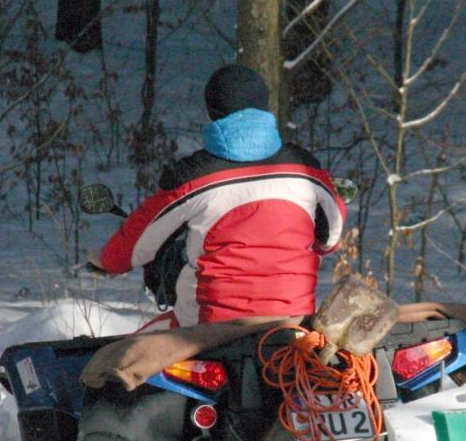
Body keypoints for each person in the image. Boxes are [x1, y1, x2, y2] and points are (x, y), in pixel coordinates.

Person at [94, 64, 347, 327]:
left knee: (125, 359)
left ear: (211, 111)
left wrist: (107, 261)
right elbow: (331, 237)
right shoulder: (306, 169)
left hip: (210, 329)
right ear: (264, 106)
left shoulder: (193, 178)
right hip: (293, 324)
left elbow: (139, 241)